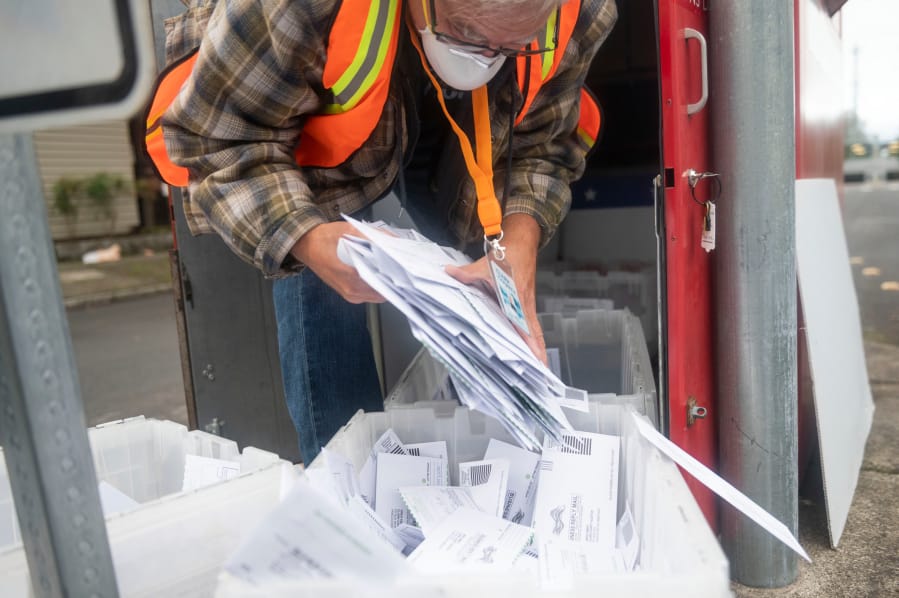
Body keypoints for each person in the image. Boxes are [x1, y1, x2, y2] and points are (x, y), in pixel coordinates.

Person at [149, 0, 618, 463]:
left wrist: (518, 242)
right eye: (465, 33)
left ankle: (496, 450)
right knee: (327, 279)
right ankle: (351, 484)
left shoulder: (579, 11)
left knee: (480, 285)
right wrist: (308, 239)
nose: (483, 58)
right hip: (310, 117)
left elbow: (544, 143)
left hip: (449, 110)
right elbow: (219, 139)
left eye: (513, 46)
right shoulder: (297, 7)